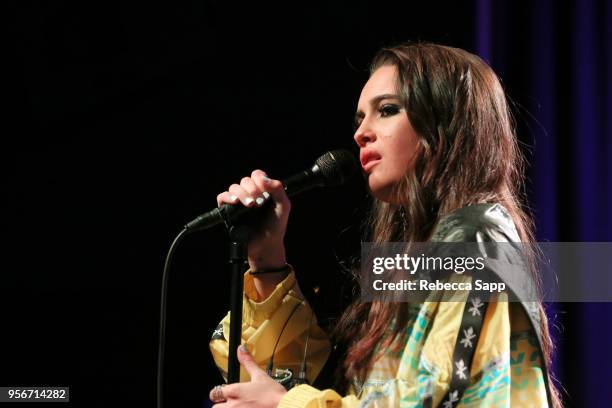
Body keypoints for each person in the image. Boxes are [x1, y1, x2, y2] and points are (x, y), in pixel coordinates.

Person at [208, 42, 560, 407]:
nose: (361, 133)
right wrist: (266, 261)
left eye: (387, 110)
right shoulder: (408, 261)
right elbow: (327, 385)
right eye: (359, 120)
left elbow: (433, 400)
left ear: (446, 124)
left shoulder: (477, 238)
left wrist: (287, 405)